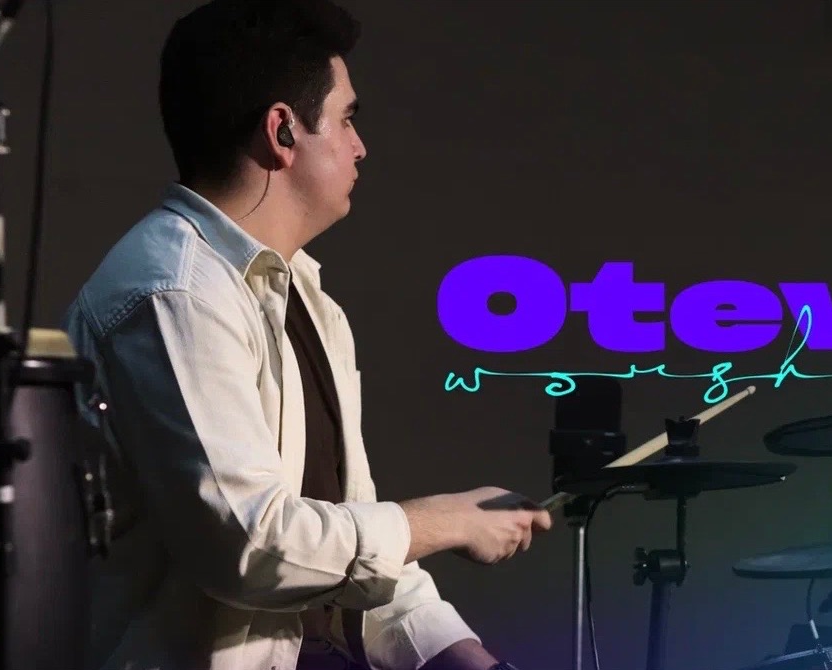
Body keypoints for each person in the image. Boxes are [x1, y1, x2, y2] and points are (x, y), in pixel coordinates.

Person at [61, 1, 552, 669]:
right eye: (347, 119)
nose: (360, 145)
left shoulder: (308, 301)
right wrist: (446, 521)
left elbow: (352, 546)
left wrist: (471, 661)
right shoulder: (175, 295)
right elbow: (252, 544)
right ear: (282, 131)